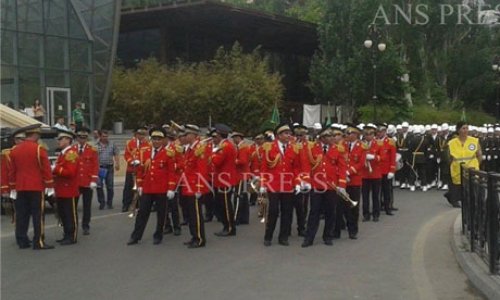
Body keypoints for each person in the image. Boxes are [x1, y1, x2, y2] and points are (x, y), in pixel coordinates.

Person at [259, 123, 310, 246]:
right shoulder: (269, 147)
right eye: (286, 133)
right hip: (274, 184)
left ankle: (283, 237)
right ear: (279, 135)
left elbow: (297, 168)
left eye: (289, 133)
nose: (289, 136)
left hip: (288, 185)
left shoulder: (295, 148)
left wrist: (298, 182)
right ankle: (268, 236)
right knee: (273, 211)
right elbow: (264, 167)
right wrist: (263, 183)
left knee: (287, 211)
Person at [8, 124, 55, 250]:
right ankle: (38, 241)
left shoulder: (15, 150)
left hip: (20, 187)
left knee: (21, 215)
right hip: (35, 186)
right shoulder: (39, 149)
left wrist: (12, 187)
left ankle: (22, 240)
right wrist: (50, 185)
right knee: (37, 215)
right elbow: (46, 169)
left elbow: (12, 171)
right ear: (35, 135)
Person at [127, 128, 176, 245]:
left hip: (161, 188)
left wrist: (171, 188)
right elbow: (140, 170)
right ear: (151, 139)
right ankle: (136, 236)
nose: (156, 141)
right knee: (142, 213)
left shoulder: (168, 153)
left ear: (163, 140)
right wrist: (139, 184)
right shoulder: (145, 151)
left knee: (161, 213)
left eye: (159, 139)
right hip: (148, 188)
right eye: (154, 139)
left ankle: (158, 235)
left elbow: (171, 172)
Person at [302, 128, 346, 247]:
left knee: (330, 211)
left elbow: (342, 167)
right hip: (317, 184)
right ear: (322, 138)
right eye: (329, 136)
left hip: (331, 185)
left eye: (333, 136)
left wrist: (342, 184)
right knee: (314, 211)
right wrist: (306, 180)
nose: (332, 138)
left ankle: (328, 236)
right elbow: (306, 165)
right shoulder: (312, 148)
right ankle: (309, 238)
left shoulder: (338, 149)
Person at [179, 124, 209, 248]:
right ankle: (194, 236)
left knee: (196, 214)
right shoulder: (190, 148)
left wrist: (199, 188)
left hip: (195, 187)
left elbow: (202, 170)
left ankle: (200, 239)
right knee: (191, 214)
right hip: (188, 185)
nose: (185, 137)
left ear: (193, 135)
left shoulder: (199, 148)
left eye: (187, 134)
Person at [445, 122, 482, 207]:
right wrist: (453, 165)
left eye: (467, 128)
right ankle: (453, 198)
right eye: (463, 128)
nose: (465, 130)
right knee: (457, 186)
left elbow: (479, 155)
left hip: (472, 168)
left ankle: (473, 202)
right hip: (457, 167)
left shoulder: (474, 141)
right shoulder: (452, 142)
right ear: (458, 130)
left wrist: (477, 164)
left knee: (473, 185)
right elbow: (448, 157)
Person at [211, 123, 239, 237]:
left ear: (219, 135)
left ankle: (230, 227)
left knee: (226, 206)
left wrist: (212, 153)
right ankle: (227, 226)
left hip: (225, 180)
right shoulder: (225, 145)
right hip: (222, 178)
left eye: (216, 134)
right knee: (222, 204)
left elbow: (217, 162)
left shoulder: (225, 146)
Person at [53, 129, 80, 245]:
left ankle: (71, 236)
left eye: (61, 139)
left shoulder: (71, 153)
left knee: (70, 214)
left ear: (68, 140)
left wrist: (55, 169)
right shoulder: (63, 153)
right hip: (61, 189)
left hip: (69, 189)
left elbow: (70, 172)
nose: (58, 141)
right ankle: (66, 234)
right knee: (63, 214)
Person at [72, 127, 99, 235]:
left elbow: (95, 165)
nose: (82, 139)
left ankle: (85, 225)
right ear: (76, 138)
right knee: (73, 205)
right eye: (80, 137)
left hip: (87, 182)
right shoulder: (72, 149)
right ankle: (73, 225)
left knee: (87, 206)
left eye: (84, 137)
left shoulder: (92, 150)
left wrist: (93, 180)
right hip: (75, 182)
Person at [122, 127, 150, 212]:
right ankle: (126, 204)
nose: (141, 136)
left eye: (143, 134)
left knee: (141, 187)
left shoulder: (148, 144)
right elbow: (126, 154)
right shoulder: (130, 143)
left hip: (142, 170)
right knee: (128, 187)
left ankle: (139, 204)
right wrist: (131, 161)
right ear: (136, 134)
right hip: (131, 169)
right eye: (139, 134)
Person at [361, 124, 382, 222]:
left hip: (375, 173)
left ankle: (376, 214)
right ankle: (366, 214)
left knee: (375, 195)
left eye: (370, 134)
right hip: (364, 173)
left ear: (373, 134)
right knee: (365, 196)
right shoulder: (361, 144)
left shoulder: (378, 144)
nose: (368, 136)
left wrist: (374, 157)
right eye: (366, 134)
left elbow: (383, 157)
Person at [96, 130, 120, 209]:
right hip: (99, 168)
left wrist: (117, 163)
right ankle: (102, 202)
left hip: (109, 167)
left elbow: (116, 153)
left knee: (110, 186)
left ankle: (109, 203)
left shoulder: (112, 144)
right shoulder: (96, 145)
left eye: (106, 136)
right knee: (99, 186)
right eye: (103, 136)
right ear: (100, 136)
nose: (105, 138)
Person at [231, 131, 251, 225]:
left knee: (238, 197)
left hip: (241, 175)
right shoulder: (242, 147)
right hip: (243, 175)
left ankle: (237, 218)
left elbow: (242, 161)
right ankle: (244, 218)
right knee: (244, 197)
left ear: (238, 137)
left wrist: (232, 161)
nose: (233, 140)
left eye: (234, 138)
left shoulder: (243, 148)